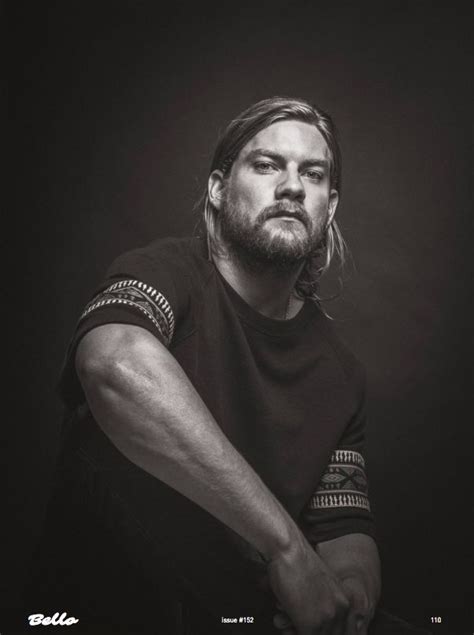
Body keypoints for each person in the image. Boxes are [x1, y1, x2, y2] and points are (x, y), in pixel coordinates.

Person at [32, 97, 427, 635]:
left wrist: (346, 595)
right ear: (219, 188)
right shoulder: (164, 273)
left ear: (328, 206)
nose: (292, 186)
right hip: (99, 613)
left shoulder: (340, 372)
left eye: (312, 174)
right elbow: (112, 365)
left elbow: (344, 526)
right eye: (267, 165)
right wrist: (287, 550)